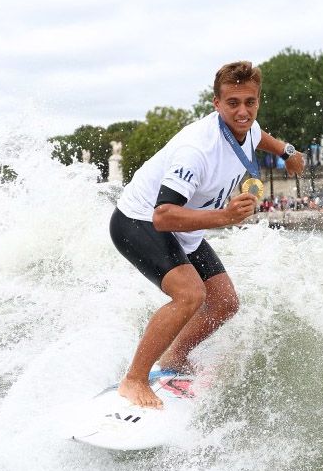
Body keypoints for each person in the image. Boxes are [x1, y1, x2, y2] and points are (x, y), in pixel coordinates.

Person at [109, 60, 306, 408]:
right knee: (189, 294)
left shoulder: (248, 127)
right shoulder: (196, 150)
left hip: (184, 227)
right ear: (216, 104)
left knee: (225, 301)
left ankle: (173, 358)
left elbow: (265, 140)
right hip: (137, 221)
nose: (242, 111)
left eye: (250, 102)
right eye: (233, 103)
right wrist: (225, 216)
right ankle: (134, 380)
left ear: (258, 101)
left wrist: (289, 153)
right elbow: (163, 215)